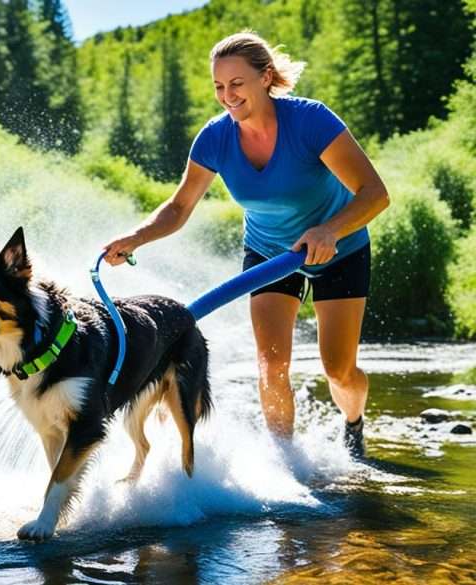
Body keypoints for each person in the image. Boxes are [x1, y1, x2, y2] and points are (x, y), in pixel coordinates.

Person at [101, 31, 390, 457]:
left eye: (236, 83)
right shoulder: (215, 139)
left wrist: (330, 230)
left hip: (339, 249)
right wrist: (137, 237)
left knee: (339, 370)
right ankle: (285, 462)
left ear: (265, 77)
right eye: (219, 86)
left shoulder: (311, 122)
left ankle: (353, 423)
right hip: (271, 254)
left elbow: (374, 193)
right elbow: (179, 208)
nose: (227, 95)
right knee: (272, 364)